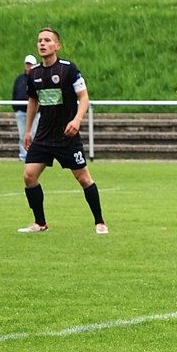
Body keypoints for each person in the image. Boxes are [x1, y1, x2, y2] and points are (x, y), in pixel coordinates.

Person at [19, 28, 108, 235]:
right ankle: (40, 223)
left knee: (83, 178)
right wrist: (28, 131)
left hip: (67, 135)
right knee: (29, 176)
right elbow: (33, 101)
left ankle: (100, 222)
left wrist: (76, 120)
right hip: (43, 135)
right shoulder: (34, 73)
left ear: (57, 46)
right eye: (40, 40)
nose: (42, 43)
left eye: (47, 40)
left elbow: (84, 97)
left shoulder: (68, 69)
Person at [13, 54, 40, 162]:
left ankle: (33, 155)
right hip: (21, 112)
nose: (29, 66)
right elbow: (14, 93)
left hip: (35, 113)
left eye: (31, 64)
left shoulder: (38, 79)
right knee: (22, 135)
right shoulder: (19, 79)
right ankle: (23, 156)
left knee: (33, 134)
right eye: (27, 64)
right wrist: (16, 108)